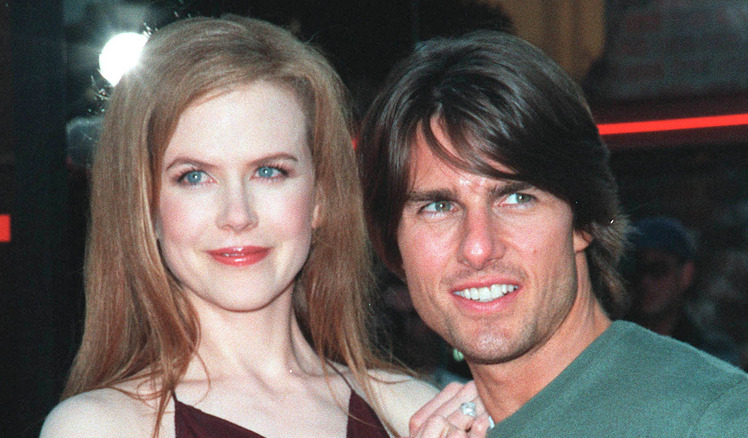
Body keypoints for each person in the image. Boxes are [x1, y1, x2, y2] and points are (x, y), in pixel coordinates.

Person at [39, 15, 478, 438]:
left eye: (269, 172)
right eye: (194, 177)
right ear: (146, 207)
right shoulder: (101, 427)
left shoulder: (412, 413)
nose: (237, 215)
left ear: (320, 198)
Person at [358, 31, 748, 437]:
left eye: (516, 198)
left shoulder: (709, 421)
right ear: (395, 245)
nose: (477, 247)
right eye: (438, 207)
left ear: (583, 221)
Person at [627, 216, 740, 364]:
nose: (645, 281)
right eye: (639, 270)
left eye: (659, 269)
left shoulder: (712, 353)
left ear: (686, 274)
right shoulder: (617, 344)